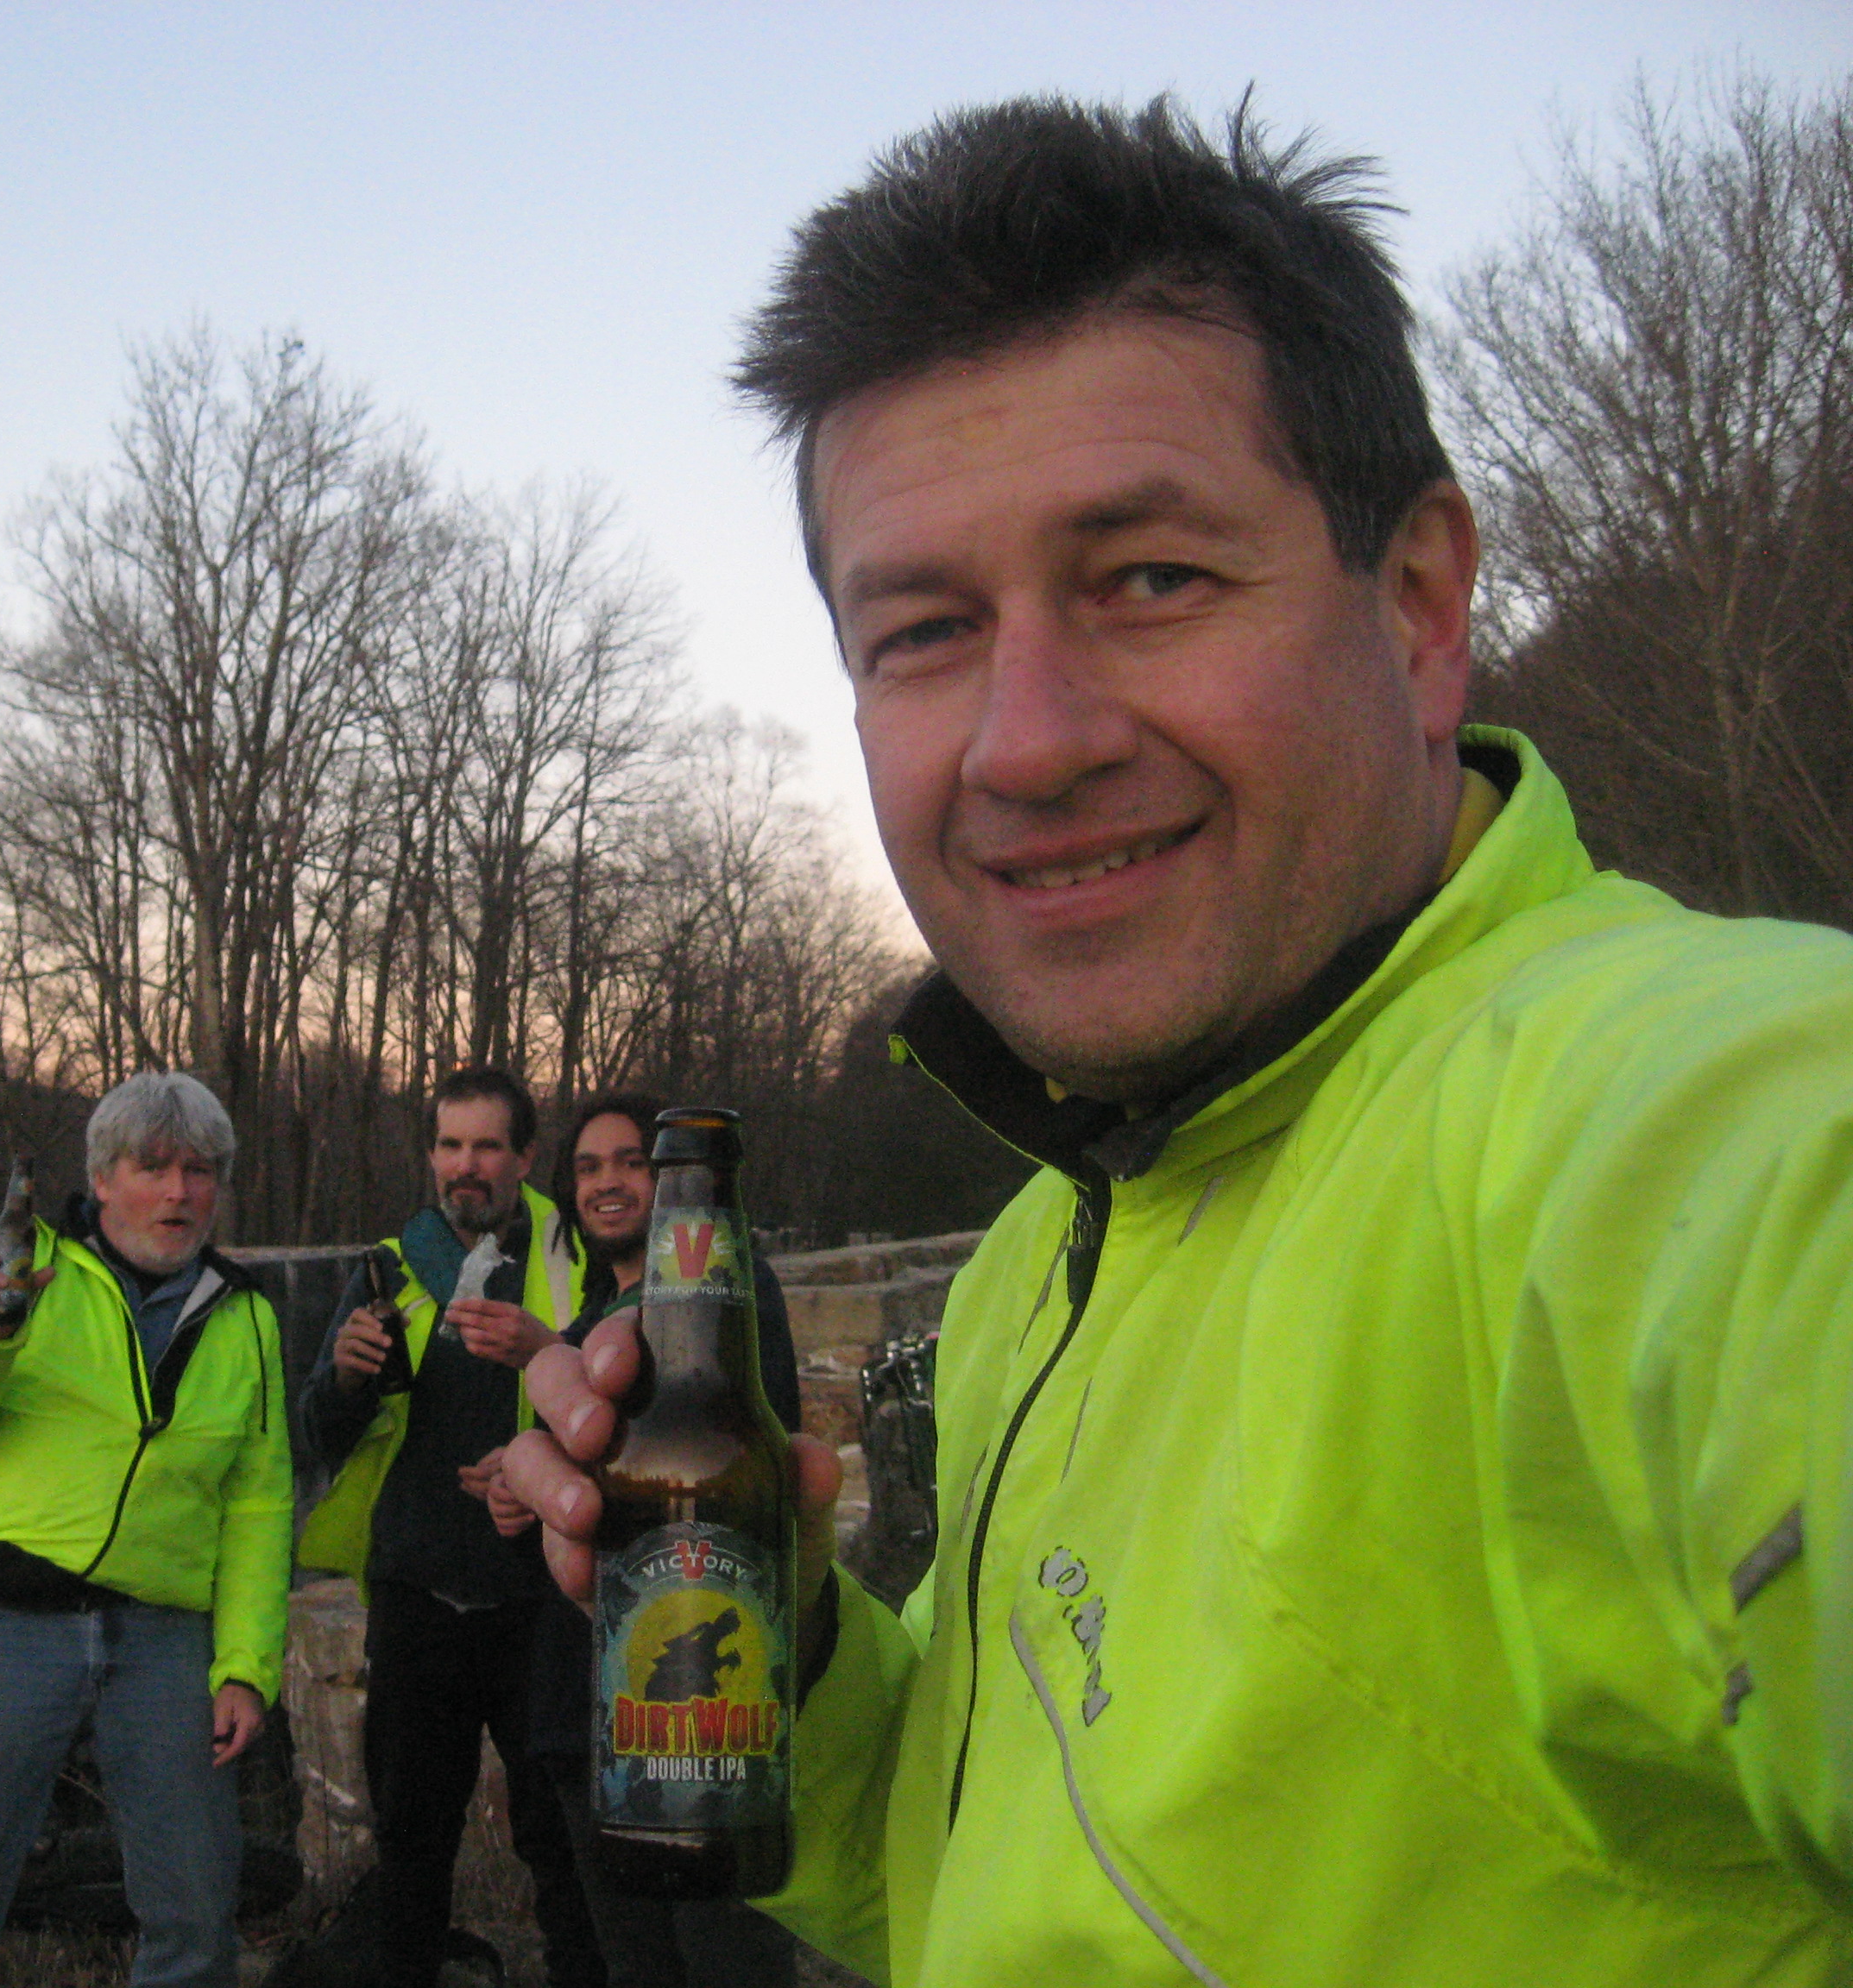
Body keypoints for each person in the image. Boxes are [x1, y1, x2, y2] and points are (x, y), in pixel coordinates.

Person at [503, 96, 1853, 1987]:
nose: (1028, 741)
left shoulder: (1662, 1121)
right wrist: (782, 1642)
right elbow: (974, 1882)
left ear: (1419, 604)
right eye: (924, 630)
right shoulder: (1042, 1261)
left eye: (1148, 578)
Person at [0, 1073, 290, 1988]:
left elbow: (259, 1507)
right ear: (102, 1180)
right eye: (153, 1168)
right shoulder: (20, 1266)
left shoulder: (246, 1316)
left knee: (196, 1914)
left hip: (164, 1638)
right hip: (7, 1624)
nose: (178, 1192)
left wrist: (245, 1666)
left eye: (199, 1171)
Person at [292, 1067, 604, 1988]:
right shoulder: (390, 1265)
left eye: (488, 1146)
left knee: (563, 1843)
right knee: (411, 1842)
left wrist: (540, 1443)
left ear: (526, 1157)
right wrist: (347, 1379)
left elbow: (626, 1398)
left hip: (544, 1599)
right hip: (418, 1595)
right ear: (431, 1154)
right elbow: (317, 1436)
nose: (467, 1166)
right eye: (450, 1145)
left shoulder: (575, 1253)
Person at [486, 1092, 806, 1988]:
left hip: (722, 1759)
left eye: (634, 1162)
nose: (609, 1183)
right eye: (587, 1167)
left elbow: (751, 1456)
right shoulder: (584, 1324)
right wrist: (524, 1494)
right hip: (591, 1725)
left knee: (727, 1962)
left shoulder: (727, 1310)